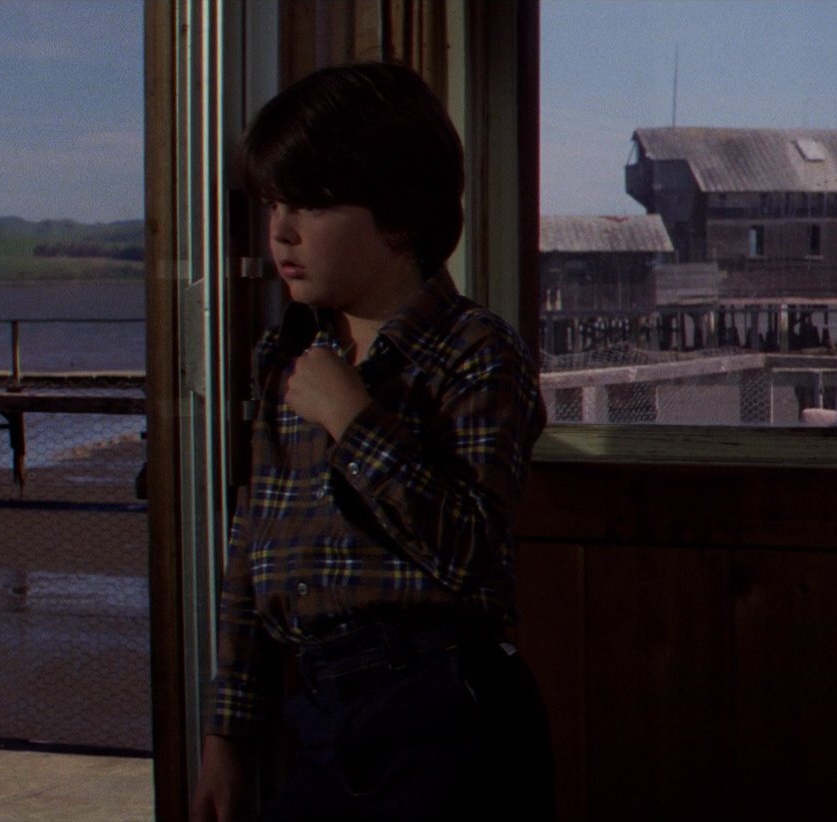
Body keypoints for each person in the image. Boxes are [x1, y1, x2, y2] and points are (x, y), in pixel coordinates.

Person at [189, 61, 552, 822]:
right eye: (274, 204)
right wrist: (227, 733)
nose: (281, 231)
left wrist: (353, 419)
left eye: (312, 204)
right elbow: (252, 550)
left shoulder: (476, 350)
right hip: (321, 709)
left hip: (443, 709)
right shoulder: (286, 357)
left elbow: (474, 551)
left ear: (400, 216)